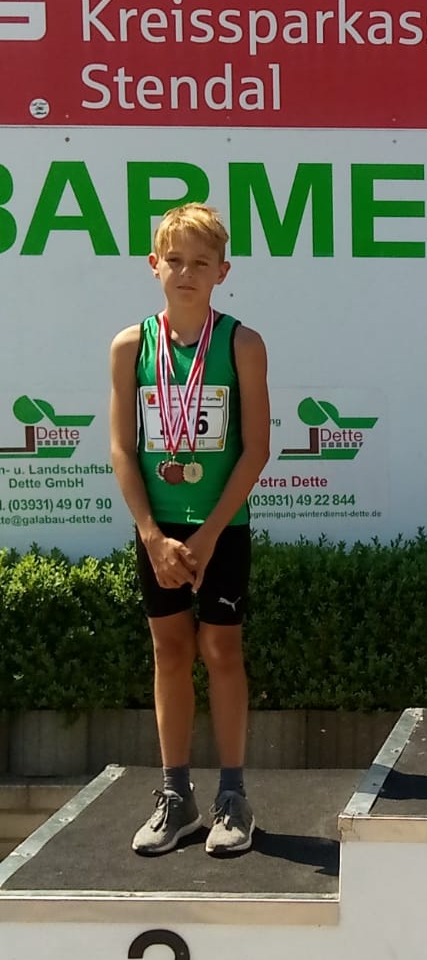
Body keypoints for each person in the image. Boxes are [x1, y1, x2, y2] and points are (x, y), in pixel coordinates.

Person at [110, 203, 271, 856]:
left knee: (222, 651)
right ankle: (177, 796)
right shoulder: (130, 346)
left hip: (220, 529)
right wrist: (152, 535)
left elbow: (255, 450)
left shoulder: (242, 344)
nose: (186, 272)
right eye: (174, 260)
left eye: (201, 263)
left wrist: (206, 536)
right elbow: (123, 449)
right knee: (170, 652)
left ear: (221, 272)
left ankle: (234, 796)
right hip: (159, 532)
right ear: (154, 265)